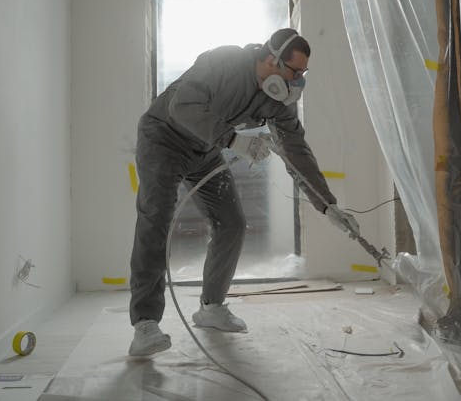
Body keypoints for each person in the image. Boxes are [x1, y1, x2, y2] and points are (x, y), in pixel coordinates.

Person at [128, 28, 360, 356]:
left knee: (231, 223)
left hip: (204, 148)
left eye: (303, 75)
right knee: (157, 219)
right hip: (163, 139)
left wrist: (328, 206)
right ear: (271, 60)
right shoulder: (223, 61)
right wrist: (235, 140)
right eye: (295, 73)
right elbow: (183, 106)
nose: (298, 82)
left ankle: (211, 308)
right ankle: (145, 324)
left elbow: (296, 149)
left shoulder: (275, 100)